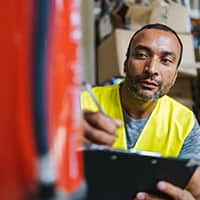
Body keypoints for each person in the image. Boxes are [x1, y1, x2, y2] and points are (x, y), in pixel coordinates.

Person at [81, 23, 200, 200]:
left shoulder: (185, 122)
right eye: (141, 55)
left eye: (166, 61)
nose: (151, 69)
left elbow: (196, 191)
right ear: (125, 64)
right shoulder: (81, 104)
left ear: (175, 76)